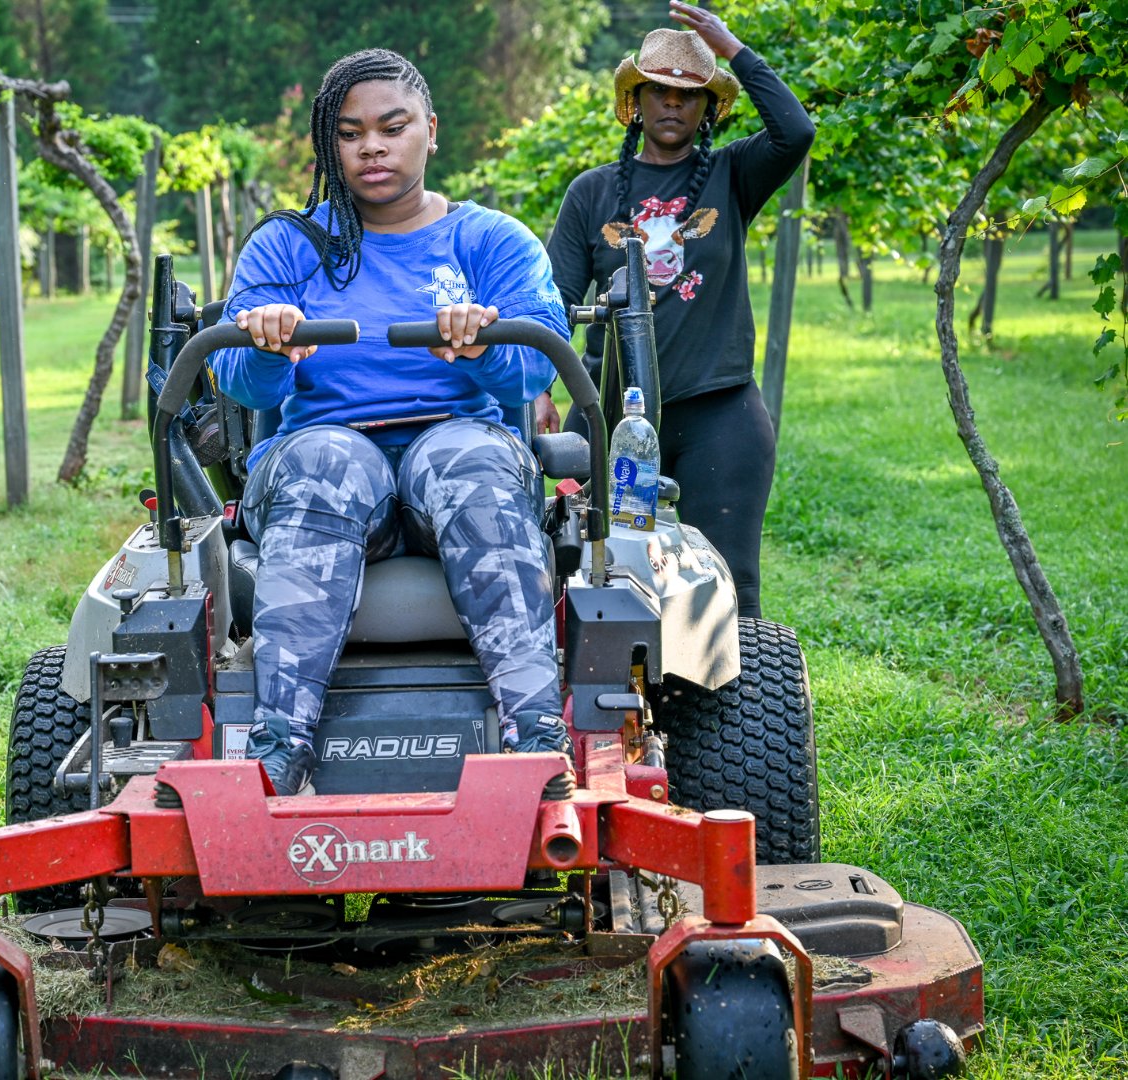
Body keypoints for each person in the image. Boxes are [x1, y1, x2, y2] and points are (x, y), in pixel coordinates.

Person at [211, 48, 571, 796]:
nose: (370, 146)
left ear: (430, 131)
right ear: (329, 145)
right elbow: (237, 382)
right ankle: (279, 752)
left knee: (471, 456)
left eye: (391, 126)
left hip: (456, 451)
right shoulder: (287, 246)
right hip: (325, 459)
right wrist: (272, 343)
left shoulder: (492, 241)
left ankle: (537, 741)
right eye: (348, 133)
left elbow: (538, 366)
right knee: (328, 463)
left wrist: (483, 346)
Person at [545, 1, 815, 619]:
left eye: (688, 95)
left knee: (730, 584)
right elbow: (553, 303)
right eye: (659, 91)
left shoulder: (731, 174)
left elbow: (796, 132)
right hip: (609, 413)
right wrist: (540, 391)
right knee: (588, 572)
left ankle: (727, 712)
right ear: (635, 101)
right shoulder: (591, 192)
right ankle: (608, 706)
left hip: (718, 409)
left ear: (707, 108)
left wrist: (732, 51)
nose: (672, 104)